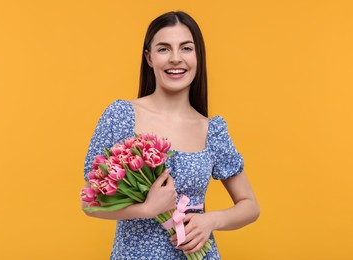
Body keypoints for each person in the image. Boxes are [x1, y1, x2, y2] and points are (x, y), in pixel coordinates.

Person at [82, 11, 260, 259]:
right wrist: (146, 209)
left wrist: (211, 221)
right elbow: (90, 204)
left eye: (186, 48)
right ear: (149, 57)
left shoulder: (212, 129)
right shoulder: (121, 115)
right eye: (164, 49)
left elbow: (250, 206)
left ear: (198, 56)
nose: (176, 59)